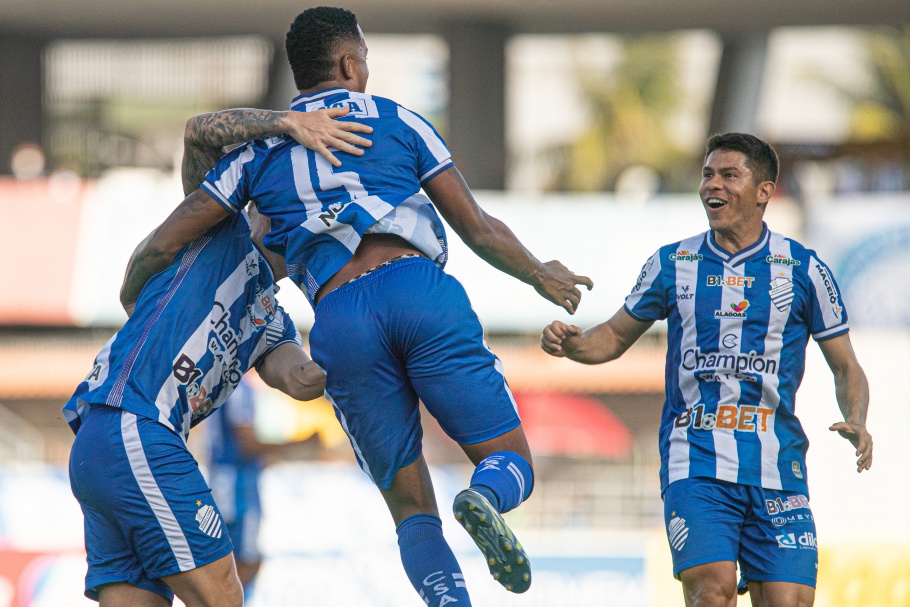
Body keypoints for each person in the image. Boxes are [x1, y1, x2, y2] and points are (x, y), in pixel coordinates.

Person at [122, 7, 593, 605]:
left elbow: (168, 237)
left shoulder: (260, 149)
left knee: (409, 507)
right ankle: (488, 493)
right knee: (508, 461)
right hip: (417, 291)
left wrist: (135, 290)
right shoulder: (401, 121)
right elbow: (477, 228)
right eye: (364, 56)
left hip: (339, 316)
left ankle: (451, 600)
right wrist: (537, 274)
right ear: (349, 63)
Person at [541, 132, 873, 607]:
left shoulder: (804, 268)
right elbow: (612, 337)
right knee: (710, 591)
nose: (712, 185)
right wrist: (571, 344)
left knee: (790, 601)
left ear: (764, 190)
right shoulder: (673, 262)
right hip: (695, 459)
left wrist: (857, 418)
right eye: (707, 174)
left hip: (777, 466)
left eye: (729, 175)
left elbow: (846, 367)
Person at [64, 109, 372, 607]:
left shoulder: (272, 318)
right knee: (224, 595)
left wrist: (370, 349)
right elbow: (196, 132)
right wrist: (289, 124)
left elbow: (302, 379)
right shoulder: (217, 228)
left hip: (106, 443)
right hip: (136, 427)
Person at [205, 376, 321, 598]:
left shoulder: (220, 382)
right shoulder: (238, 386)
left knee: (224, 564)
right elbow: (246, 445)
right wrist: (301, 443)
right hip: (237, 488)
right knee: (244, 563)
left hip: (222, 482)